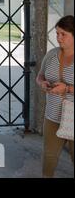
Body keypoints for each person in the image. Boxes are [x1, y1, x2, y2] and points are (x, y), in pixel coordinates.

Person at [36, 15, 74, 178]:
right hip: (52, 117)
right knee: (49, 158)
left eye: (63, 34)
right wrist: (42, 84)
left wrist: (67, 88)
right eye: (57, 33)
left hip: (73, 118)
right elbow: (39, 76)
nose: (58, 38)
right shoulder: (51, 54)